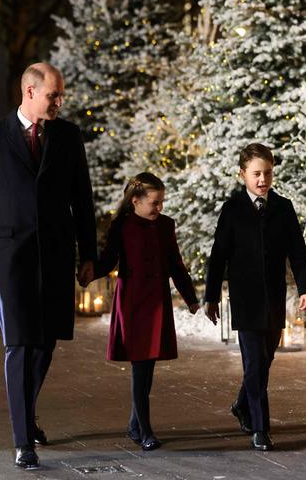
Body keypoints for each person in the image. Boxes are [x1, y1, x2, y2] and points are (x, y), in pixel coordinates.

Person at [0, 63, 98, 469]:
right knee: (19, 343)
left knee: (46, 342)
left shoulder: (68, 135)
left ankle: (26, 408)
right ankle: (23, 440)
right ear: (29, 91)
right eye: (53, 95)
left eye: (61, 96)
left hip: (56, 253)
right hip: (10, 255)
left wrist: (88, 254)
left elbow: (83, 199)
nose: (60, 102)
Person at [204, 143, 306, 451]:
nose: (262, 179)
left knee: (265, 360)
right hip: (245, 299)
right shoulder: (232, 209)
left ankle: (242, 404)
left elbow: (298, 252)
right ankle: (260, 427)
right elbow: (218, 255)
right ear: (243, 175)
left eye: (267, 173)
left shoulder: (283, 207)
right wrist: (211, 296)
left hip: (274, 298)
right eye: (256, 174)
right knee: (253, 363)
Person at [94, 172, 199, 451]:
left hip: (157, 302)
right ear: (136, 201)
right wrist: (87, 273)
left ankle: (134, 424)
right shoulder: (123, 226)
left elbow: (176, 264)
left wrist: (191, 298)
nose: (159, 208)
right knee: (140, 367)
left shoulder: (165, 225)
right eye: (154, 202)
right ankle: (145, 431)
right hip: (132, 304)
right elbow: (107, 261)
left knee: (147, 367)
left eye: (162, 202)